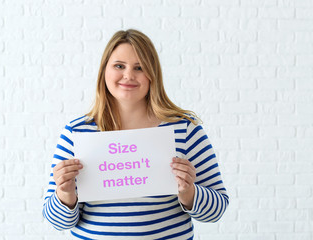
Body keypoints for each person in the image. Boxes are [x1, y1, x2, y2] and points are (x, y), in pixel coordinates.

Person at [43, 29, 229, 239]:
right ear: (104, 71)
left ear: (153, 75)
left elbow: (217, 210)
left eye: (139, 67)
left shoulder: (184, 129)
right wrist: (65, 194)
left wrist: (189, 193)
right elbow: (55, 221)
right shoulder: (77, 132)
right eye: (119, 66)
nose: (129, 75)